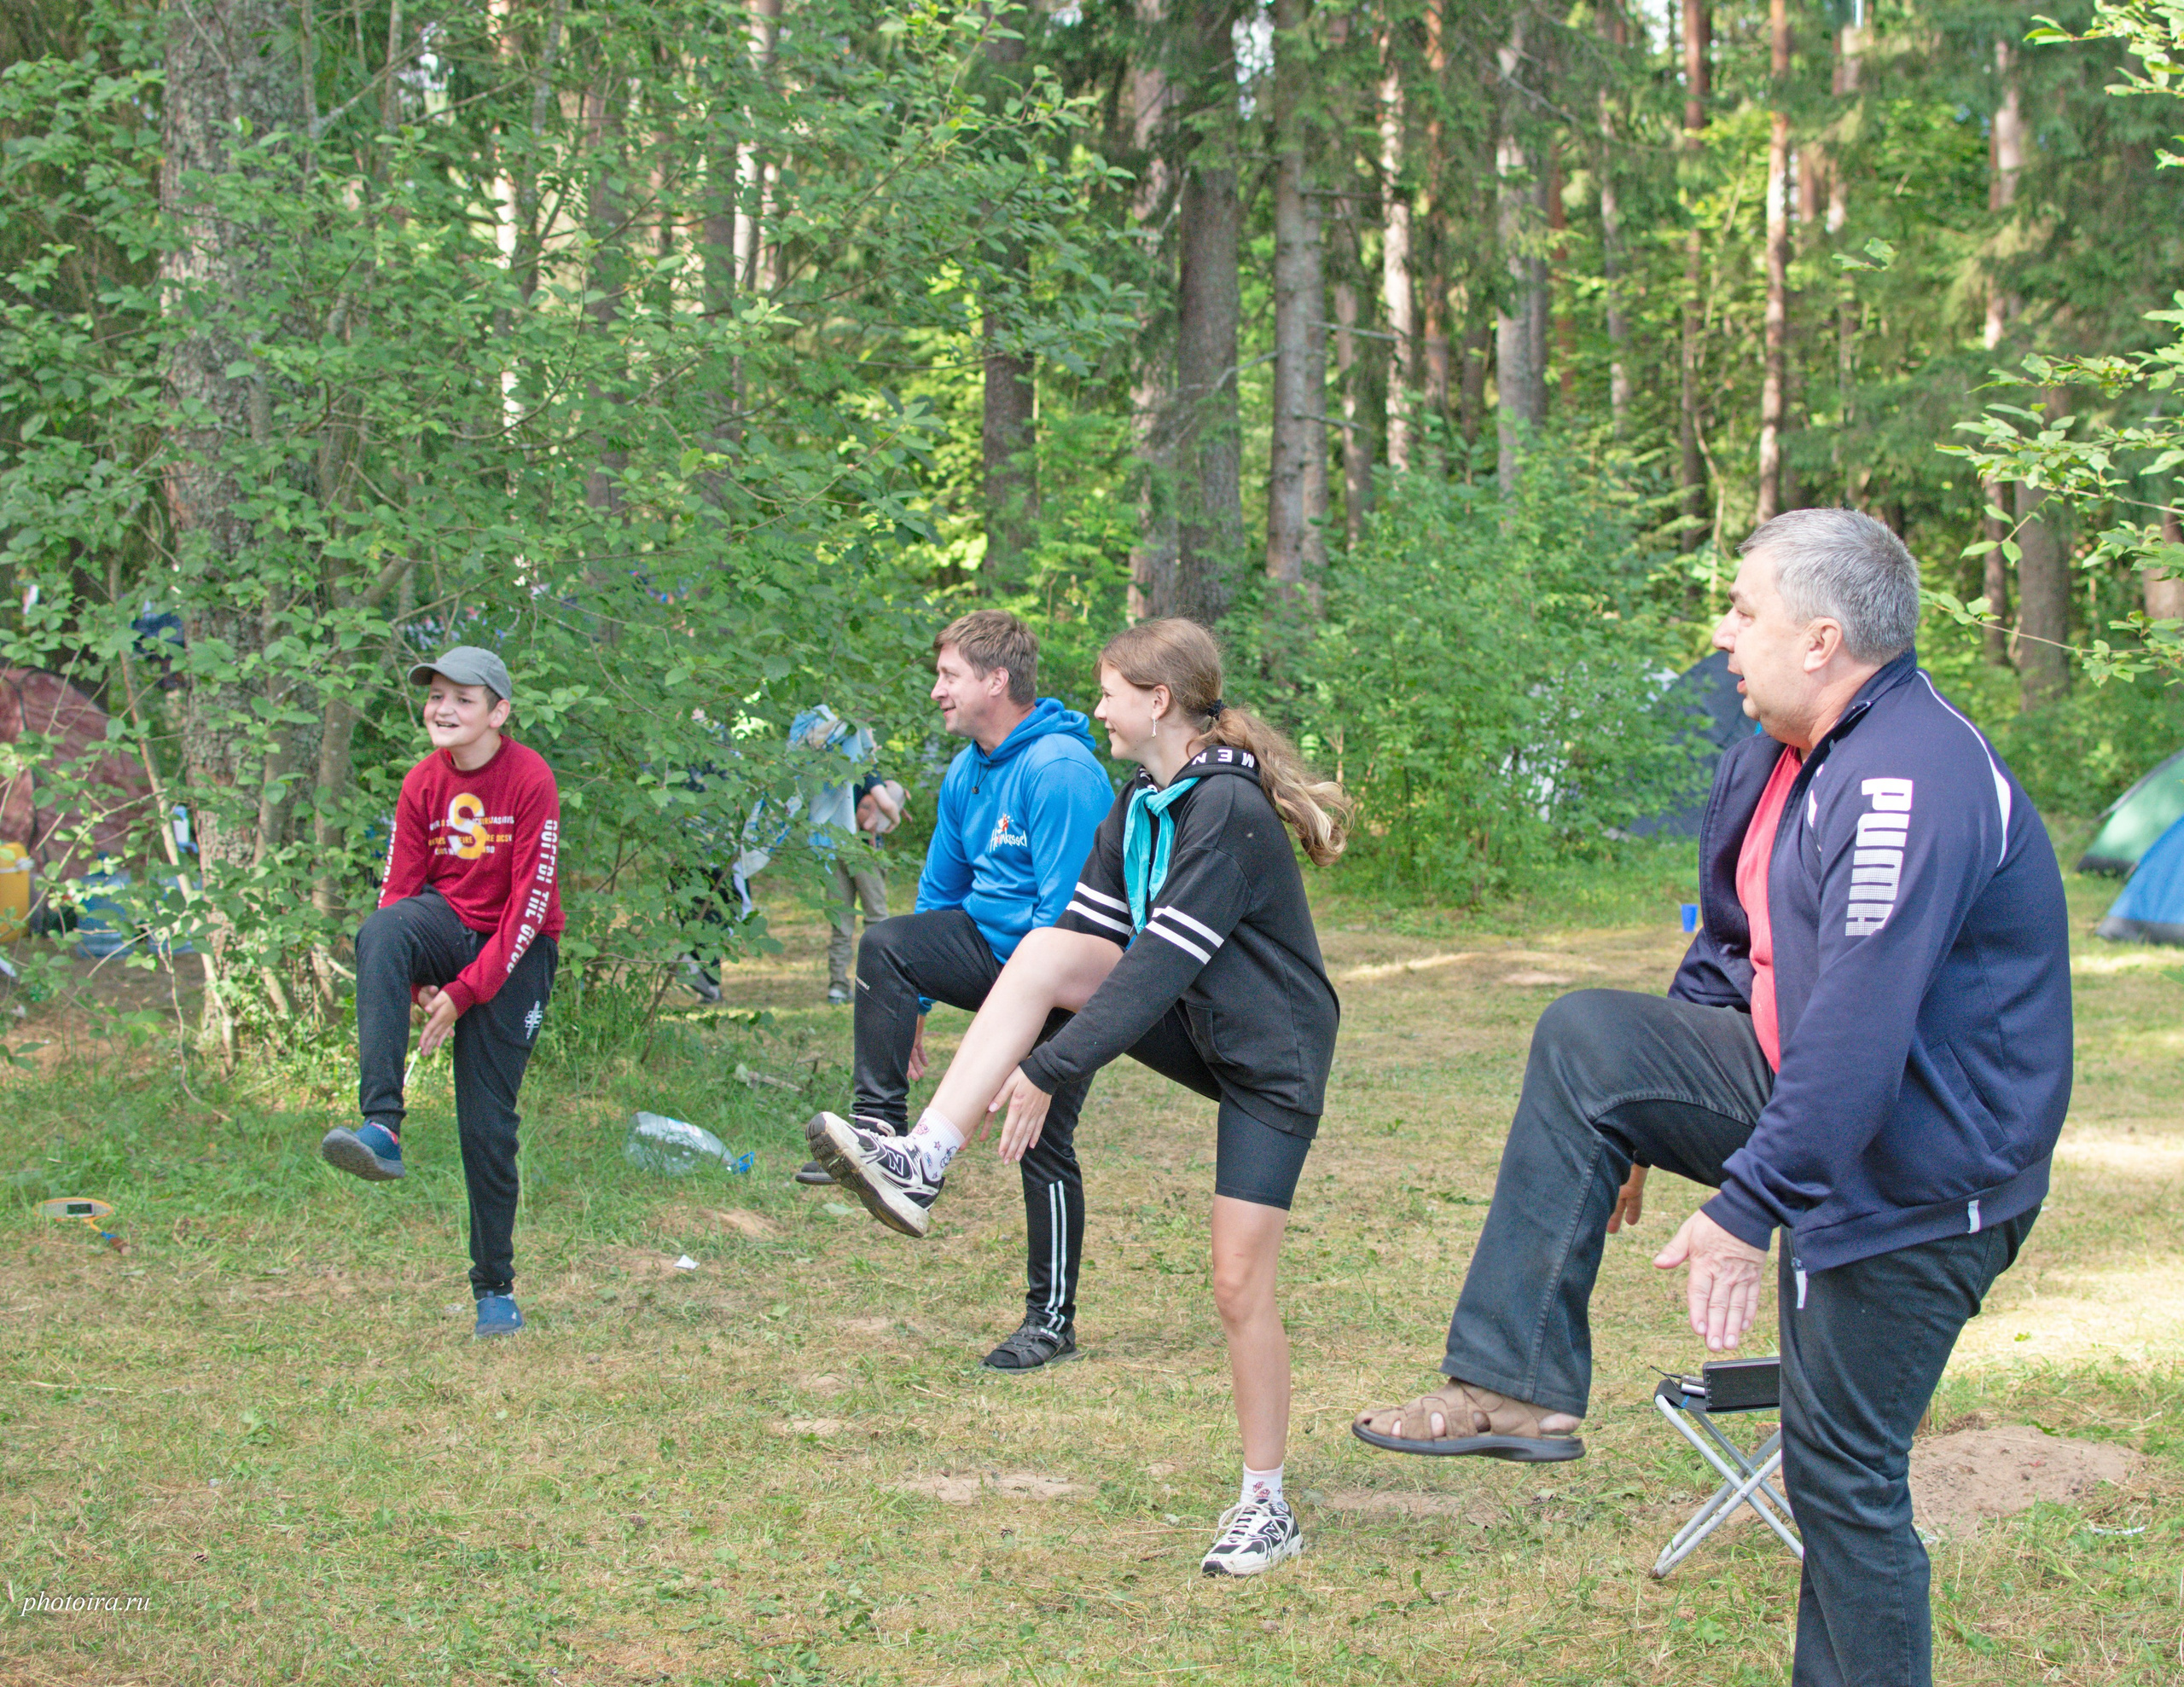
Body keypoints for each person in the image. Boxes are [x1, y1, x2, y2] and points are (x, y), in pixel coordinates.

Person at [1350, 509, 2071, 1684]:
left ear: (1824, 639)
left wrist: (1745, 1209)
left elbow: (1860, 1025)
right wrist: (1637, 1113)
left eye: (1745, 611)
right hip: (1818, 1098)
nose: (1723, 636)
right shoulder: (1771, 757)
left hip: (1925, 1172)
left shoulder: (1906, 781)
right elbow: (1730, 956)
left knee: (1840, 1479)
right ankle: (1515, 1385)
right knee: (1590, 1038)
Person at [808, 617, 1351, 1577]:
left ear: (1157, 700)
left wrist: (1048, 1071)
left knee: (1236, 1286)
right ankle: (920, 1159)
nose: (1094, 707)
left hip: (1271, 1059)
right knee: (1047, 949)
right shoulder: (1136, 801)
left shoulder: (1222, 811)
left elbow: (1154, 968)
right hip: (1195, 1018)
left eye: (1107, 692)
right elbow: (1081, 942)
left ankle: (1265, 1503)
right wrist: (1027, 1049)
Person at [793, 611, 1114, 1371]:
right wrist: (913, 1002)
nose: (937, 691)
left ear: (994, 681)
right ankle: (881, 1137)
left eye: (949, 676)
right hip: (992, 951)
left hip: (1065, 973)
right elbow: (940, 896)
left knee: (1043, 1139)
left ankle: (1051, 1319)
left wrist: (1024, 1050)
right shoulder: (970, 768)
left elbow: (1066, 923)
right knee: (887, 944)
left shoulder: (1061, 771)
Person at [318, 646, 565, 1341]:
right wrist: (420, 982)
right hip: (449, 929)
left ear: (498, 712)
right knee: (382, 931)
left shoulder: (529, 778)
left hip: (516, 954)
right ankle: (382, 1126)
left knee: (486, 1127)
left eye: (463, 697)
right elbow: (399, 891)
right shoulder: (422, 783)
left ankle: (494, 1288)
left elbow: (528, 905)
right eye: (436, 697)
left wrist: (464, 993)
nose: (444, 709)